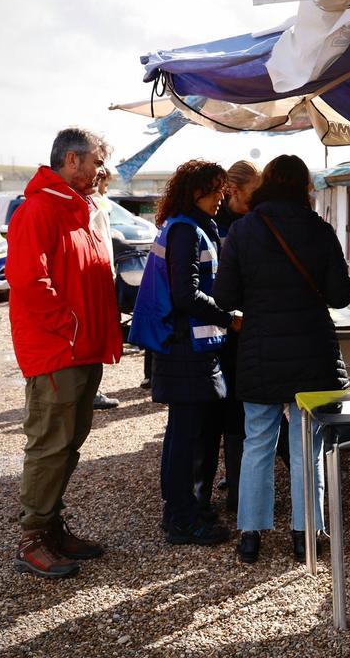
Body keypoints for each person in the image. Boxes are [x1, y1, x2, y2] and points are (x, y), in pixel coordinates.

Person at [214, 154, 350, 564]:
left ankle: (250, 536)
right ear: (304, 187)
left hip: (259, 351)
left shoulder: (243, 231)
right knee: (307, 446)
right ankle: (305, 534)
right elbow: (341, 296)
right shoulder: (320, 229)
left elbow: (224, 298)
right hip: (312, 353)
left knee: (257, 441)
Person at [5, 127, 122, 579]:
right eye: (96, 161)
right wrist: (70, 329)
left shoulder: (80, 209)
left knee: (68, 444)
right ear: (72, 161)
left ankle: (51, 527)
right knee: (50, 445)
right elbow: (29, 283)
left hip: (81, 348)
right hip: (58, 352)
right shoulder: (38, 210)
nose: (101, 171)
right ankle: (32, 538)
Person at [130, 160, 235, 545]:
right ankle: (181, 519)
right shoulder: (185, 232)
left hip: (192, 348)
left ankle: (185, 510)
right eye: (217, 190)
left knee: (188, 434)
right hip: (186, 350)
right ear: (196, 192)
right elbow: (184, 295)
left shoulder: (189, 227)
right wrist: (230, 316)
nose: (222, 198)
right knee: (187, 437)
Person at [213, 159, 262, 512]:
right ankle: (235, 482)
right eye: (251, 194)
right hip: (227, 325)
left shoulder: (252, 221)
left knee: (251, 405)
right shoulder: (215, 223)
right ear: (234, 191)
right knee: (233, 406)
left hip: (251, 323)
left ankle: (245, 477)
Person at [89, 168, 121, 411]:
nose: (106, 189)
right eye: (105, 184)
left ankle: (92, 389)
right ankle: (92, 390)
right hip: (99, 275)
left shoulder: (99, 205)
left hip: (103, 273)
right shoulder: (94, 206)